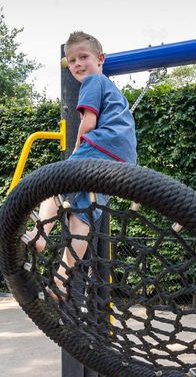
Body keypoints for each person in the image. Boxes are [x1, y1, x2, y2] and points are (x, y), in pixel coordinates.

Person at [27, 31, 137, 299]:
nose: (77, 65)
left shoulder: (94, 81)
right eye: (72, 60)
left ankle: (39, 234)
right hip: (122, 161)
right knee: (82, 216)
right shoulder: (112, 90)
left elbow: (88, 122)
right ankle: (62, 278)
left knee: (55, 183)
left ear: (101, 59)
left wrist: (77, 149)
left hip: (100, 146)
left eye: (83, 57)